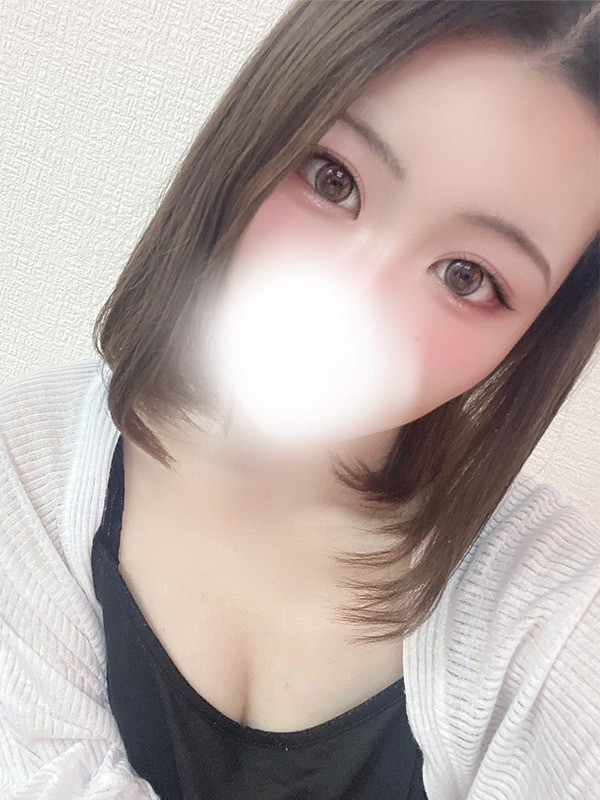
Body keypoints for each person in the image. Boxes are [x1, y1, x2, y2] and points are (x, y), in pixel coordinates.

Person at [1, 1, 599, 798]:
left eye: (468, 276)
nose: (353, 299)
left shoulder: (551, 610)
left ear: (532, 337)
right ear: (258, 137)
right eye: (332, 180)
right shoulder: (26, 468)